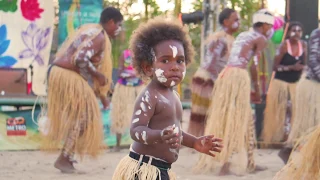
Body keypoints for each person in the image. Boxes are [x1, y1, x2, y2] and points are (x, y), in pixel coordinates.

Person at [112, 17, 223, 180]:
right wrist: (159, 135)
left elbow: (174, 132)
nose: (175, 66)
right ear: (148, 67)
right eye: (165, 60)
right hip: (144, 170)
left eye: (180, 60)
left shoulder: (173, 96)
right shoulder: (150, 95)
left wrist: (195, 142)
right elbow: (136, 131)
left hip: (161, 170)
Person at [41, 7, 123, 173]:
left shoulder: (91, 31)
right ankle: (65, 157)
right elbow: (80, 59)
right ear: (111, 22)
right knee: (85, 117)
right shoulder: (98, 36)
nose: (119, 29)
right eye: (118, 25)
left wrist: (102, 95)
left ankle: (67, 156)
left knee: (82, 117)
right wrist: (98, 75)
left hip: (62, 73)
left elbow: (84, 66)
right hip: (67, 75)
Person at [193, 9, 274, 176]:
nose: (270, 29)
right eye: (270, 26)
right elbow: (254, 65)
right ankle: (225, 162)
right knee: (235, 119)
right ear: (265, 25)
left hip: (227, 76)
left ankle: (250, 162)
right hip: (238, 78)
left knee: (242, 120)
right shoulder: (260, 39)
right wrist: (258, 90)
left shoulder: (244, 35)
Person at [188, 8, 240, 137]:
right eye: (236, 20)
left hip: (214, 79)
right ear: (226, 22)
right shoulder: (220, 38)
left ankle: (207, 139)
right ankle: (201, 140)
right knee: (205, 114)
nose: (239, 22)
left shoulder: (228, 38)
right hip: (207, 79)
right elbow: (212, 63)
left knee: (210, 113)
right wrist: (218, 81)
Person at [277, 28, 320, 164]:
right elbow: (313, 62)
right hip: (312, 84)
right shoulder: (317, 34)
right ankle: (289, 150)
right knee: (309, 125)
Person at [262, 21, 306, 145]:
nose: (296, 33)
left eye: (299, 31)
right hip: (281, 83)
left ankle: (292, 137)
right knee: (280, 110)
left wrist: (303, 70)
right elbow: (275, 67)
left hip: (295, 84)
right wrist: (291, 67)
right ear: (288, 32)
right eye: (294, 30)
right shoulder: (283, 46)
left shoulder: (304, 45)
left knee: (294, 110)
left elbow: (305, 65)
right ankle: (278, 137)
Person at [110, 49, 144, 152]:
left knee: (142, 114)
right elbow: (120, 71)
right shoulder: (125, 54)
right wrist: (129, 74)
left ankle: (141, 145)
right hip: (123, 88)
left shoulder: (144, 53)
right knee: (119, 115)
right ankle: (117, 145)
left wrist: (138, 74)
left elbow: (147, 71)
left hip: (139, 87)